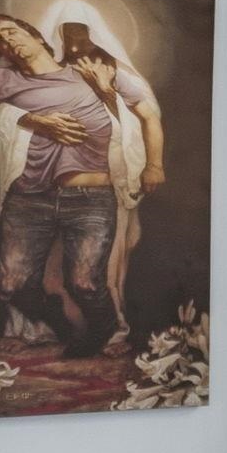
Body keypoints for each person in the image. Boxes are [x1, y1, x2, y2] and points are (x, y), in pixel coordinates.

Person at [0, 12, 153, 356]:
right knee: (12, 284)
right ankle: (55, 320)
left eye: (12, 31)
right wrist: (30, 120)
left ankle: (100, 331)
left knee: (86, 283)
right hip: (29, 196)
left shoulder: (89, 72)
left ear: (37, 37)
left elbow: (145, 112)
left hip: (90, 196)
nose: (6, 40)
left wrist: (155, 164)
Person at [56, 23, 164, 334]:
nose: (75, 46)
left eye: (81, 36)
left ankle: (111, 324)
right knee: (61, 256)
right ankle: (64, 327)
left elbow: (146, 118)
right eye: (68, 37)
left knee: (105, 255)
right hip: (62, 176)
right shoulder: (50, 71)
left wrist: (154, 165)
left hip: (108, 178)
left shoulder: (114, 72)